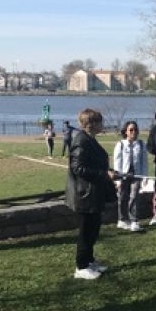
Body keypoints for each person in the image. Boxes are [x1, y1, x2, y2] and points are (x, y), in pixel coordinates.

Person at [65, 108, 116, 280]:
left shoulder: (90, 140)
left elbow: (96, 163)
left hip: (94, 193)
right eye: (100, 122)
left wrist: (108, 171)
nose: (102, 125)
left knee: (93, 230)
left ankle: (89, 260)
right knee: (86, 232)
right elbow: (78, 168)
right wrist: (103, 174)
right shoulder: (81, 141)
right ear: (91, 124)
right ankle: (81, 266)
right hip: (84, 194)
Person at [113, 121, 148, 232]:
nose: (134, 132)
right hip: (123, 175)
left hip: (136, 174)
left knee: (134, 196)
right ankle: (122, 220)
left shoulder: (141, 144)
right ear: (126, 132)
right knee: (122, 197)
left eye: (135, 129)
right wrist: (118, 180)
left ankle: (134, 221)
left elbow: (144, 162)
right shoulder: (120, 144)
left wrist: (145, 177)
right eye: (131, 130)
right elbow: (117, 162)